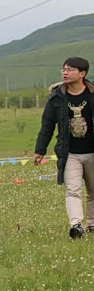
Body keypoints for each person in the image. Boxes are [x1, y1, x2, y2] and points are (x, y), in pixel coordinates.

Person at [34, 56, 94, 239]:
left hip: (92, 152)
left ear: (82, 73)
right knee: (72, 190)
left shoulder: (92, 94)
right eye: (64, 69)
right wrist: (40, 150)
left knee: (93, 191)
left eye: (70, 69)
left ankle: (92, 224)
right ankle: (76, 226)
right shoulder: (56, 97)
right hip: (69, 153)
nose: (65, 73)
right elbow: (47, 125)